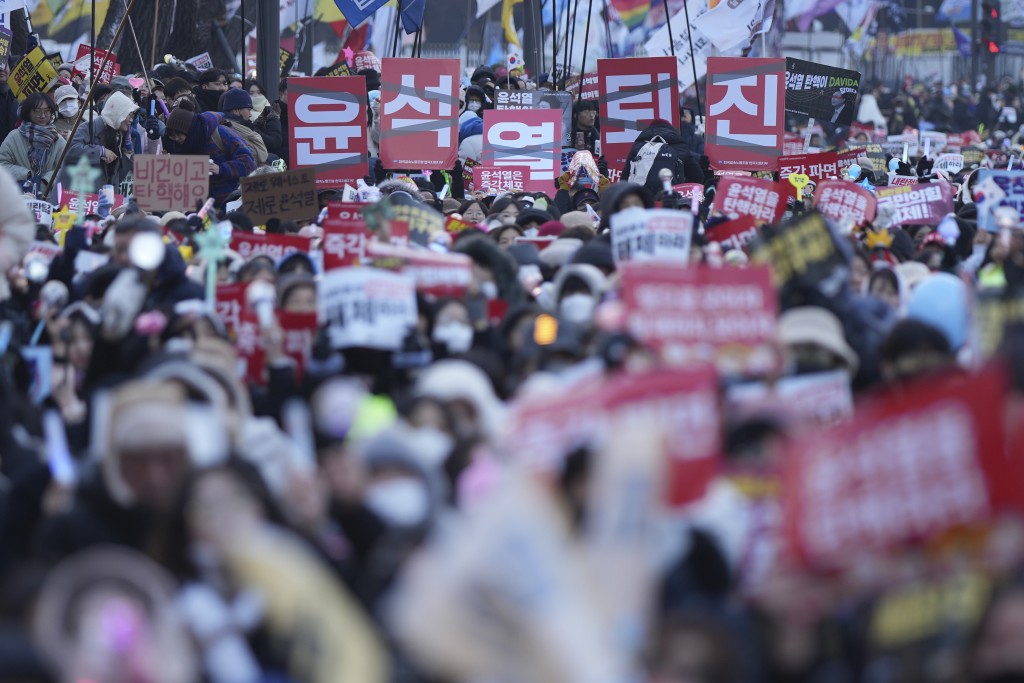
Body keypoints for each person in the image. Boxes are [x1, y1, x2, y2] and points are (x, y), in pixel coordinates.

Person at [161, 106, 256, 206]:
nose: (176, 138)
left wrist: (221, 169)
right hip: (205, 208)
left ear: (189, 129)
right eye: (172, 135)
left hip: (233, 202)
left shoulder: (221, 134)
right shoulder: (182, 145)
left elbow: (249, 163)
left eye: (179, 134)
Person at [68, 91, 139, 193]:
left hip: (108, 196)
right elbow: (72, 150)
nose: (131, 120)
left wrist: (128, 151)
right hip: (85, 195)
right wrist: (100, 151)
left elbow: (119, 176)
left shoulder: (120, 136)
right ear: (119, 113)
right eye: (129, 115)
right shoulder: (89, 128)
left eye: (132, 116)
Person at [0, 93, 67, 197]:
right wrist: (26, 174)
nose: (43, 115)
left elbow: (65, 169)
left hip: (49, 199)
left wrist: (45, 181)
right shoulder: (14, 137)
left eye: (47, 110)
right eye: (37, 111)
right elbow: (2, 165)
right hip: (19, 196)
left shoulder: (58, 140)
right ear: (28, 112)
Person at [220, 88, 269, 165]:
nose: (250, 115)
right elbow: (260, 156)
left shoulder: (231, 126)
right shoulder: (231, 129)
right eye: (248, 110)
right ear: (236, 110)